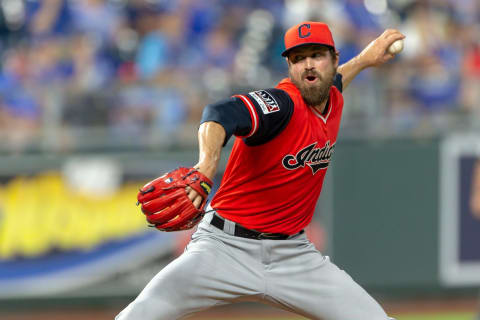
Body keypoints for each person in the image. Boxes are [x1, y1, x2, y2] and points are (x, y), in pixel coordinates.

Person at [116, 21, 405, 320]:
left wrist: (365, 59)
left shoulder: (331, 94)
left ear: (334, 58)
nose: (308, 64)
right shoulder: (282, 103)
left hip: (294, 257)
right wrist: (206, 165)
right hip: (224, 248)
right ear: (288, 65)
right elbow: (220, 113)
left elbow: (336, 80)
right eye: (298, 58)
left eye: (316, 55)